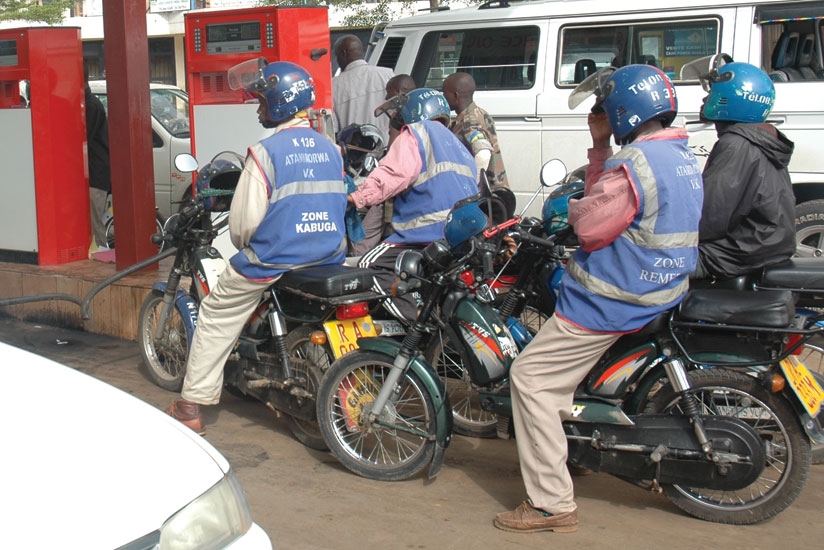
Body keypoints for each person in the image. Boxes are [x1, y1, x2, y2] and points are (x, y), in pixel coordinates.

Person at [494, 65, 703, 533]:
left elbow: (589, 226)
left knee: (530, 378)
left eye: (607, 108)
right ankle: (571, 449)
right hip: (662, 287)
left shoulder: (635, 164)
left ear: (622, 111)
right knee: (557, 376)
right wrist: (600, 148)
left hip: (616, 297)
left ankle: (551, 503)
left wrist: (600, 155)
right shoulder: (680, 153)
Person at [167, 61, 348, 434]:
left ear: (280, 104)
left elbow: (243, 226)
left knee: (216, 313)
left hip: (276, 260)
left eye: (263, 101)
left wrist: (245, 246)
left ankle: (190, 406)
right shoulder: (332, 149)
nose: (258, 108)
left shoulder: (265, 153)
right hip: (328, 256)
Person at [350, 88, 478, 322]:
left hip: (427, 232)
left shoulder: (417, 133)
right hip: (460, 235)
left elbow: (393, 173)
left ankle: (419, 325)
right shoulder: (457, 143)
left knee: (370, 265)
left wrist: (356, 197)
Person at [693, 55, 795, 280]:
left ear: (728, 98)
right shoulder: (762, 139)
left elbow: (709, 217)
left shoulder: (736, 144)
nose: (706, 98)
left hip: (738, 252)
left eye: (712, 92)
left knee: (650, 269)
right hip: (764, 245)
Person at [441, 72, 509, 188]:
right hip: (496, 191)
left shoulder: (469, 122)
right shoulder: (480, 113)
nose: (443, 96)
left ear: (456, 96)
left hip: (485, 196)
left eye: (445, 93)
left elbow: (483, 154)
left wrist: (471, 186)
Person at [332, 34, 395, 142]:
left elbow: (333, 128)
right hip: (388, 147)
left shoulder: (334, 85)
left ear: (343, 53)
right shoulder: (387, 75)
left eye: (336, 56)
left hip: (355, 153)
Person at [84, 62, 112, 250]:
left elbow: (84, 138)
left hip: (96, 173)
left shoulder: (90, 105)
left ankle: (101, 254)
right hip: (94, 173)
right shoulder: (87, 102)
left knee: (94, 223)